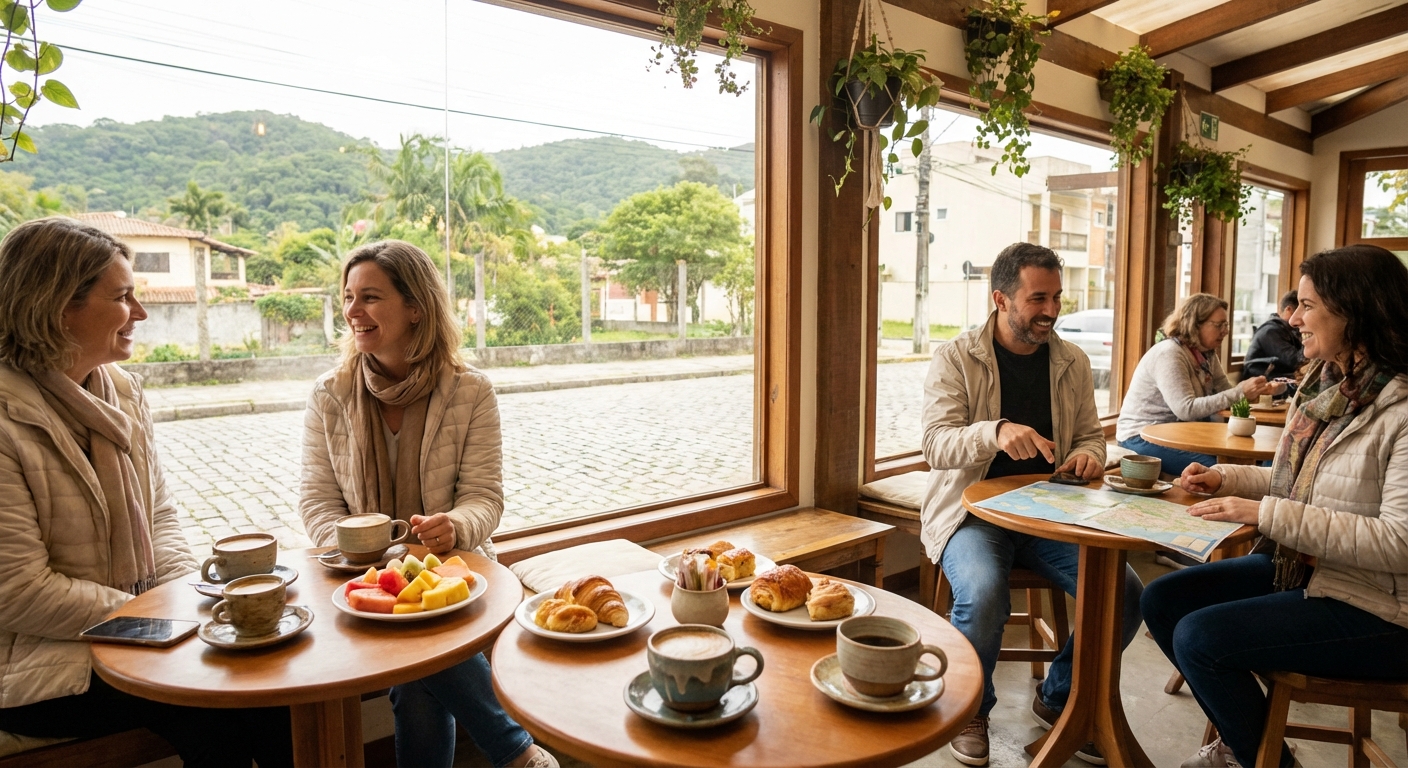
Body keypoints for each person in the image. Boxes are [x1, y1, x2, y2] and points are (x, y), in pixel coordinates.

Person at [0, 217, 293, 767]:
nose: (141, 313)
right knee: (216, 706)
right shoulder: (5, 417)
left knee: (273, 687)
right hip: (37, 666)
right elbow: (16, 590)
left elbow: (159, 514)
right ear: (60, 306)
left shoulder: (121, 390)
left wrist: (185, 596)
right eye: (123, 297)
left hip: (135, 631)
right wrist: (154, 616)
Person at [1143, 244, 1408, 768]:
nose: (1292, 318)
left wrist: (1261, 514)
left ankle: (1262, 758)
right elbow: (1301, 484)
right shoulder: (1329, 386)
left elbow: (1398, 543)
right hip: (1313, 571)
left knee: (1200, 637)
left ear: (1354, 313)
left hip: (1383, 609)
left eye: (1306, 305)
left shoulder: (1399, 406)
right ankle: (1253, 748)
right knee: (1163, 601)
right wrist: (1225, 478)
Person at [299, 240, 555, 768]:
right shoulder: (330, 394)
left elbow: (484, 497)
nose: (352, 312)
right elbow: (317, 502)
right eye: (348, 297)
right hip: (362, 578)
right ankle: (517, 753)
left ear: (415, 307)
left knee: (417, 671)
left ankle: (515, 753)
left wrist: (456, 526)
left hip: (458, 570)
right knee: (420, 660)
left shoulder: (470, 392)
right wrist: (360, 545)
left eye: (370, 296)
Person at [921, 242, 1143, 767]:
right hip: (972, 514)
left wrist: (1089, 458)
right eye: (1037, 298)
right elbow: (935, 444)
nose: (1050, 311)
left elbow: (1092, 437)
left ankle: (1063, 697)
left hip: (1052, 512)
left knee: (1127, 594)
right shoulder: (955, 357)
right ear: (1000, 298)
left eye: (1057, 298)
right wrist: (994, 432)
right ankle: (972, 709)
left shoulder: (1072, 360)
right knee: (984, 591)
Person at [1116, 293, 1281, 475]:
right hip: (1140, 437)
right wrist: (1240, 392)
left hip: (1181, 434)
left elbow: (1226, 392)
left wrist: (1256, 392)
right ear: (1194, 324)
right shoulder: (1170, 354)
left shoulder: (1206, 354)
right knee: (1221, 472)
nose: (1225, 331)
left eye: (1226, 324)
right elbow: (1186, 409)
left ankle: (1265, 494)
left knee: (1271, 455)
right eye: (1219, 325)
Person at [1243, 290, 1304, 385]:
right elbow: (1296, 360)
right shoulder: (1270, 331)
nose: (1301, 320)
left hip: (1276, 380)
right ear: (1288, 310)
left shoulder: (1287, 331)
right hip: (1260, 384)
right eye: (1300, 314)